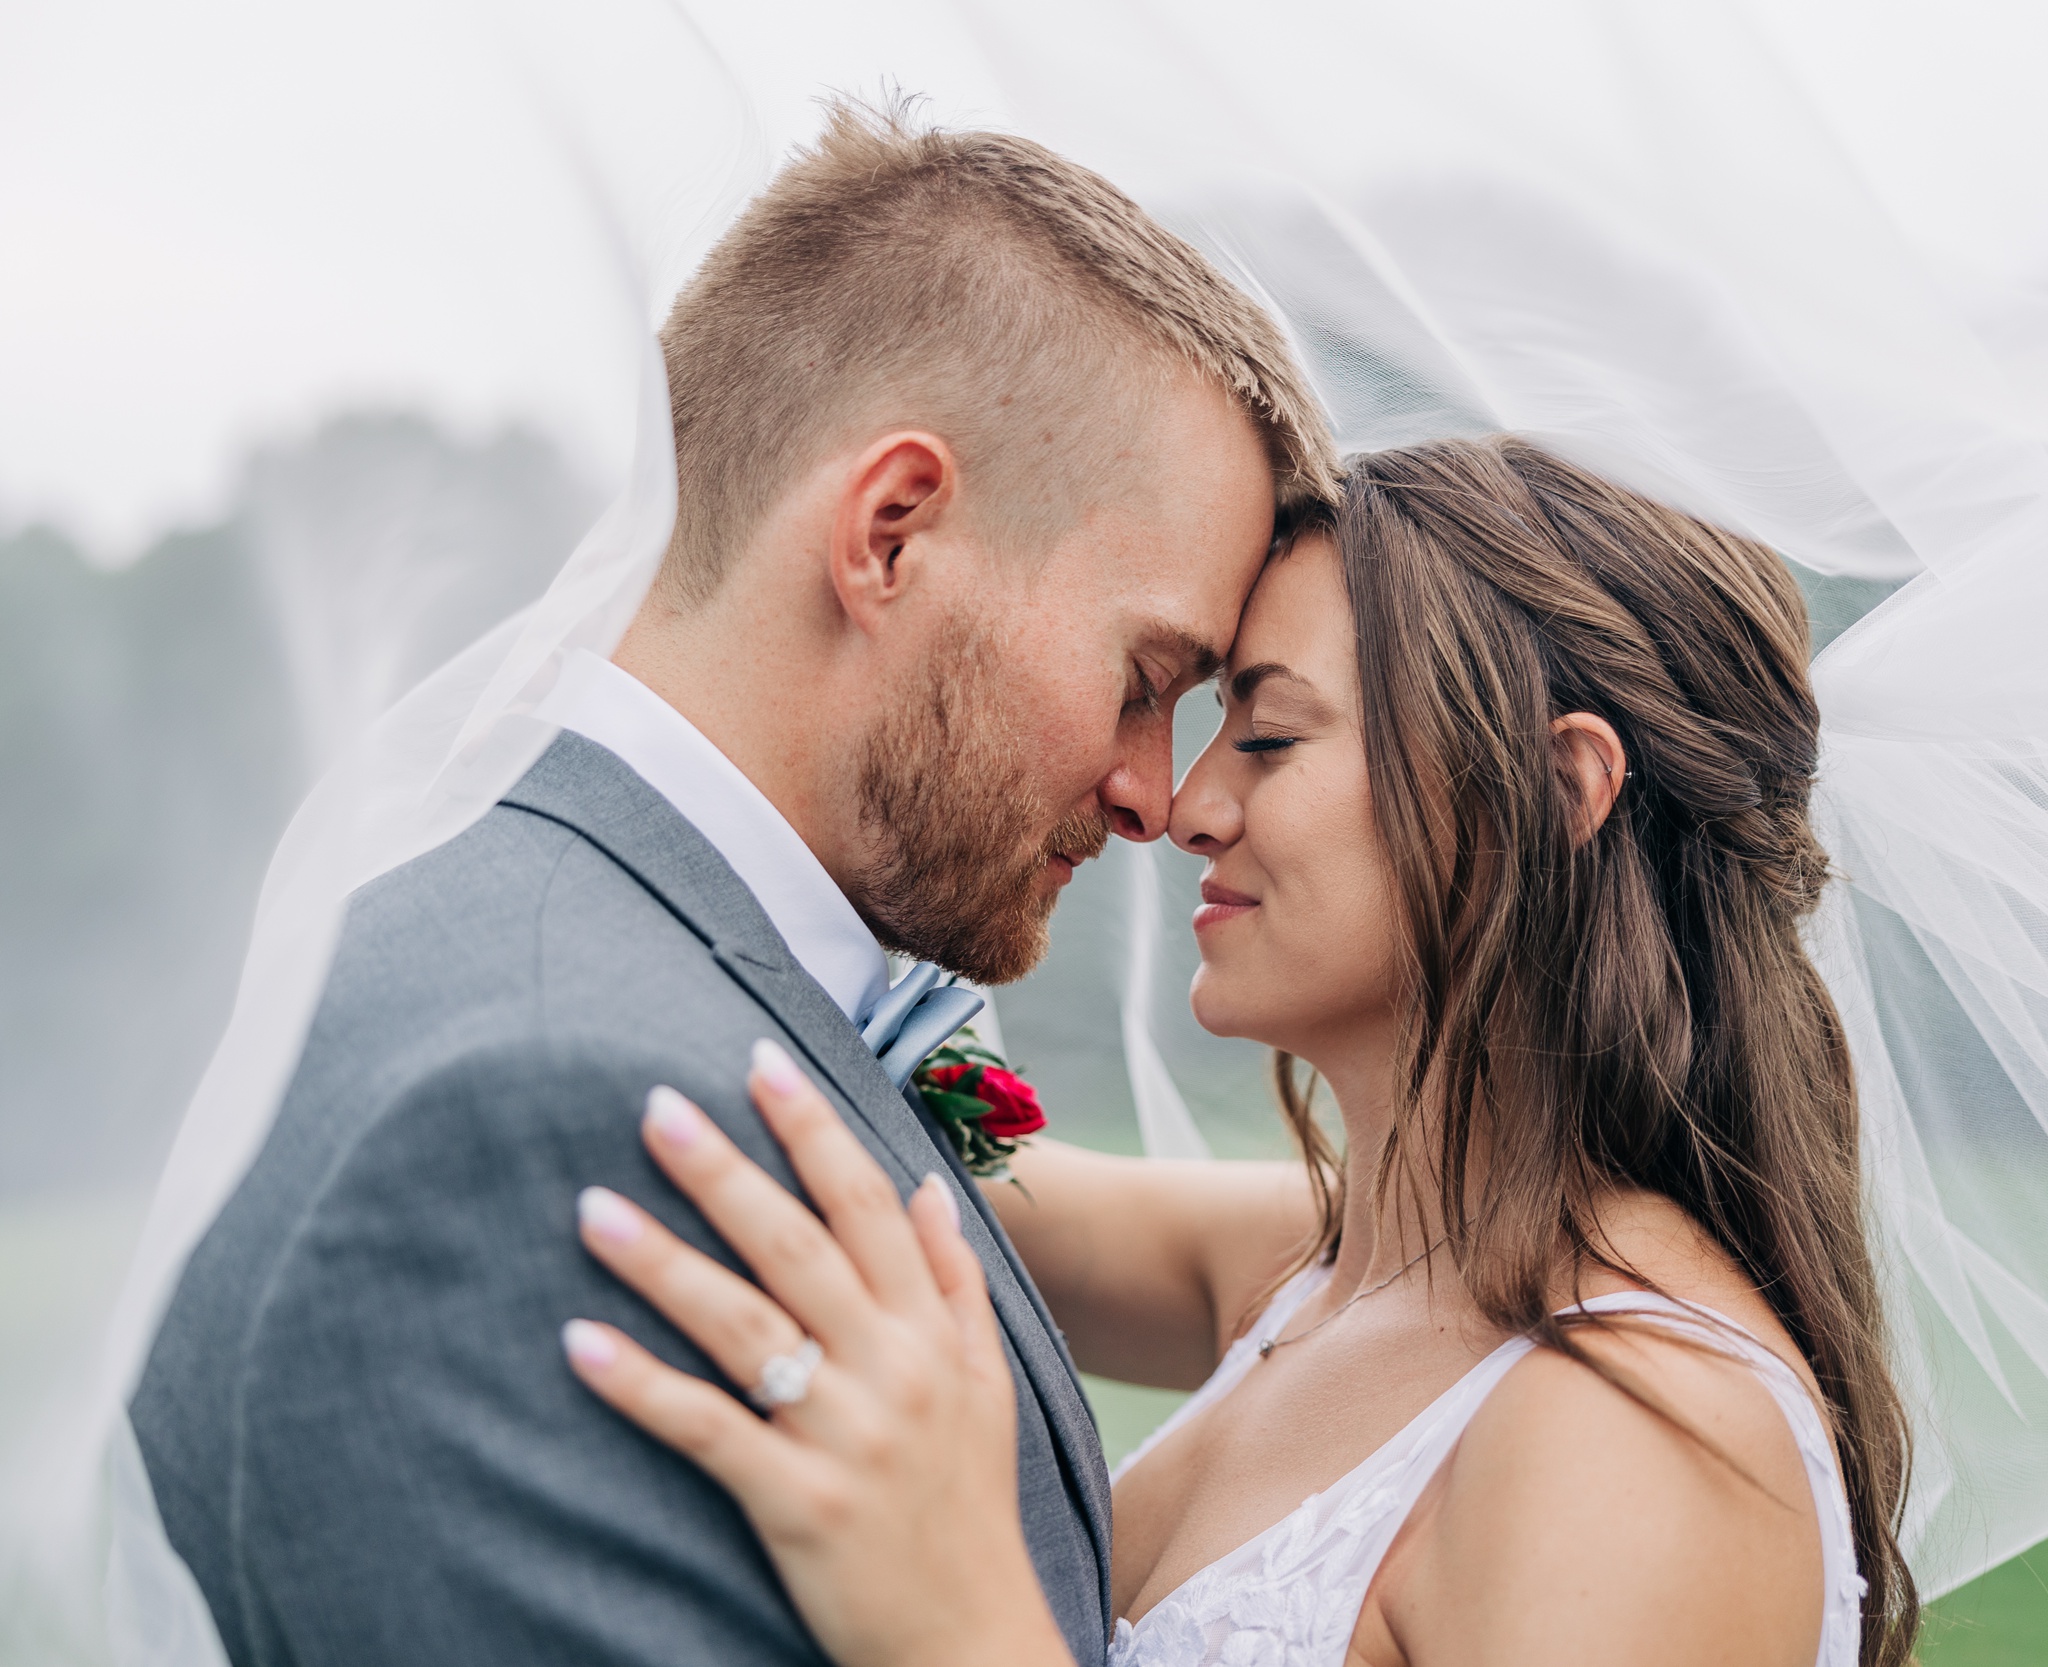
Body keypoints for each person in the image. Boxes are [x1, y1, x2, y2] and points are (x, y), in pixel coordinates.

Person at [126, 102, 1335, 1667]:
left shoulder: (625, 962)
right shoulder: (548, 1121)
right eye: (1142, 675)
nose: (1152, 791)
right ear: (891, 535)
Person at [563, 436, 1915, 1667]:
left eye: (1269, 735)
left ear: (1555, 794)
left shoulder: (1644, 1438)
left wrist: (952, 1617)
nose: (1190, 805)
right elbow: (917, 1167)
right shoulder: (1328, 1265)